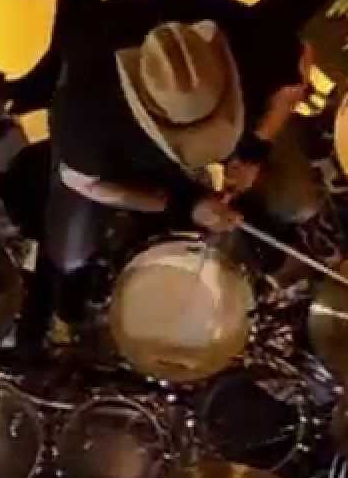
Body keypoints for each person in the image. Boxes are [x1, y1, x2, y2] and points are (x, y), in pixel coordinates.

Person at [43, 19, 306, 333]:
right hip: (148, 173)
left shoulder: (226, 29)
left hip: (244, 142)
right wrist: (183, 206)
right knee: (69, 256)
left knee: (298, 202)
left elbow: (299, 66)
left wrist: (256, 149)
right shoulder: (85, 115)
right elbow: (82, 182)